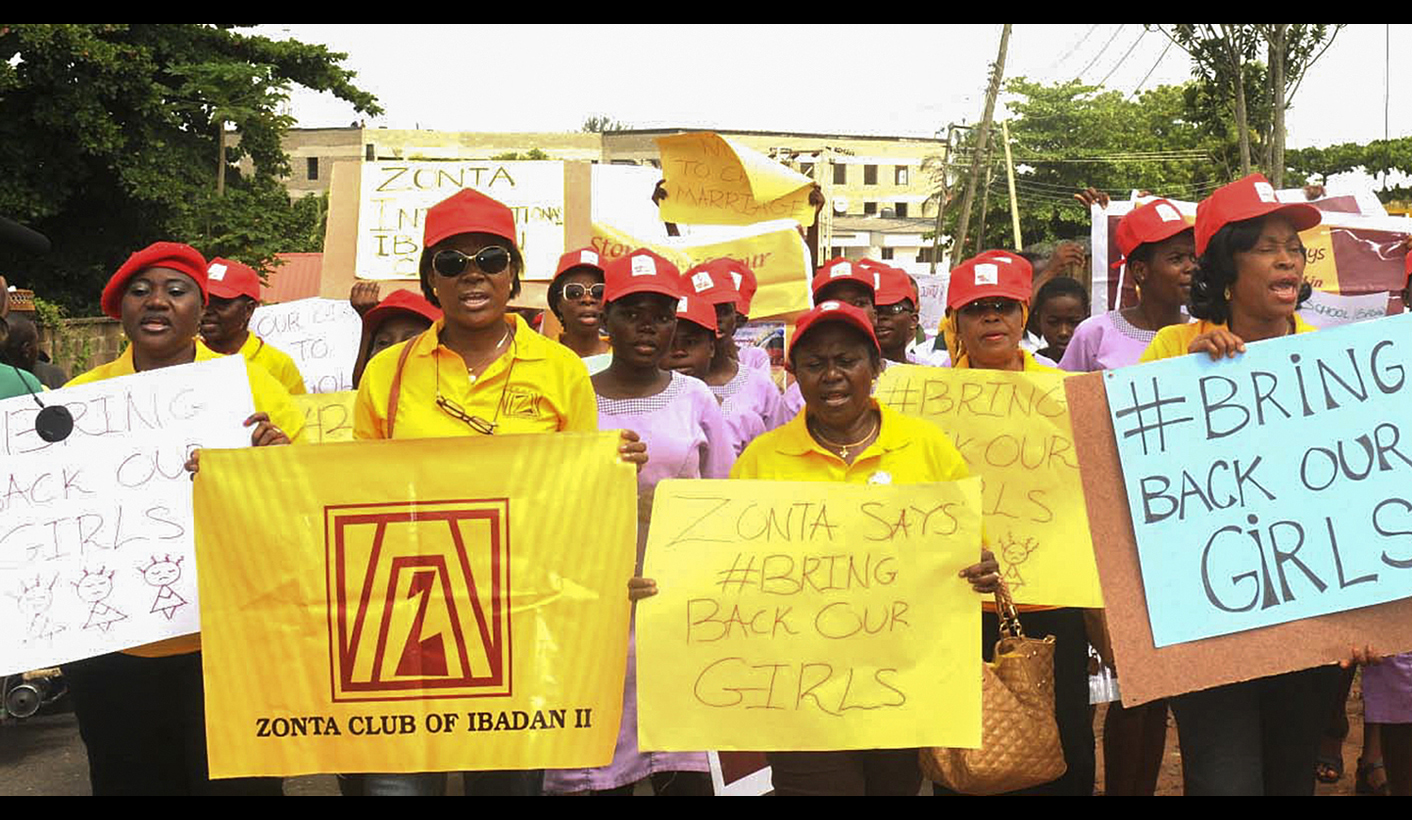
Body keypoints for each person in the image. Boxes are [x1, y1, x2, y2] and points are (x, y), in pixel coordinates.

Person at [631, 300, 1000, 796]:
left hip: (903, 689)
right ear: (793, 372)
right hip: (798, 699)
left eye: (846, 360)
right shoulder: (764, 459)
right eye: (815, 363)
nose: (832, 376)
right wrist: (665, 586)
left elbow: (972, 545)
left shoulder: (926, 445)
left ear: (875, 367)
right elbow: (720, 566)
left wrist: (980, 568)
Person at [351, 187, 645, 797]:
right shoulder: (390, 372)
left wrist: (611, 467)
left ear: (513, 272)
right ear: (431, 279)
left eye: (490, 259)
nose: (472, 275)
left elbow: (577, 496)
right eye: (451, 263)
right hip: (411, 621)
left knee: (506, 785)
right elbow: (357, 493)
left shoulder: (560, 369)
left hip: (517, 616)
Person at [1138, 173, 1381, 796]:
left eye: (1295, 249)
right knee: (1223, 780)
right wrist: (1198, 370)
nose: (1288, 260)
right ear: (1224, 266)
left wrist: (1375, 616)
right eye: (1267, 246)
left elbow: (1357, 497)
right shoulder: (1171, 355)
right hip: (1207, 626)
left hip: (1305, 631)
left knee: (1290, 782)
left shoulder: (1332, 362)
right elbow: (1137, 484)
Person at [61, 241, 302, 797]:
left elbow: (302, 510)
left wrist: (276, 463)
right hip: (116, 654)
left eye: (176, 291)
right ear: (118, 310)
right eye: (140, 291)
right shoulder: (78, 401)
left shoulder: (257, 390)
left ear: (200, 309)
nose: (157, 303)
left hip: (233, 644)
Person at [543, 249, 732, 796]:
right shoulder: (570, 389)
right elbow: (544, 491)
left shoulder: (695, 397)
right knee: (600, 774)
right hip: (591, 614)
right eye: (631, 311)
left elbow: (722, 499)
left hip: (677, 615)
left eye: (662, 313)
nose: (648, 325)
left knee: (687, 771)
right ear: (604, 319)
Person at [930, 251, 1096, 796]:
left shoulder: (1067, 390)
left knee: (1062, 743)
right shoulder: (924, 402)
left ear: (1024, 314)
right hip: (957, 606)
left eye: (1003, 305)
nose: (991, 318)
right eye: (976, 309)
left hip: (1051, 600)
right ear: (955, 322)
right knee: (968, 758)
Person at [1057, 196, 1196, 797]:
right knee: (1132, 682)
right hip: (1115, 530)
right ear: (1138, 270)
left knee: (1172, 684)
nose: (1190, 267)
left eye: (1194, 256)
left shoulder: (1209, 332)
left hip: (1185, 525)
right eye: (1175, 257)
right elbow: (1061, 420)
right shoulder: (1095, 335)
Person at [680, 259, 788, 451]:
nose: (717, 318)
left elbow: (779, 451)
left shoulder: (761, 387)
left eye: (725, 310)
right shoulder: (668, 386)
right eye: (709, 309)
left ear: (736, 317)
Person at [780, 257, 881, 418]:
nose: (832, 375)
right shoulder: (794, 400)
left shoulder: (907, 382)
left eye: (859, 303)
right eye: (834, 302)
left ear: (875, 315)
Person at [199, 257, 307, 395]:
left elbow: (298, 414)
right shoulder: (182, 356)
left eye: (221, 303)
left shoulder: (279, 365)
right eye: (203, 302)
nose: (206, 311)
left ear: (248, 309)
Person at [547, 247, 611, 368]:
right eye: (574, 292)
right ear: (558, 304)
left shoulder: (624, 358)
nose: (587, 299)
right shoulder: (540, 356)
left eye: (598, 292)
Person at [1028, 276, 1089, 363]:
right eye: (1053, 322)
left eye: (1074, 322)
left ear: (1087, 320)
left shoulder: (1099, 367)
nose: (1063, 332)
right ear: (1038, 320)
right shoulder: (1027, 367)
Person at [872, 265, 921, 365]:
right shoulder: (841, 377)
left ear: (913, 320)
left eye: (894, 309)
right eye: (875, 310)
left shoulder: (930, 376)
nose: (881, 317)